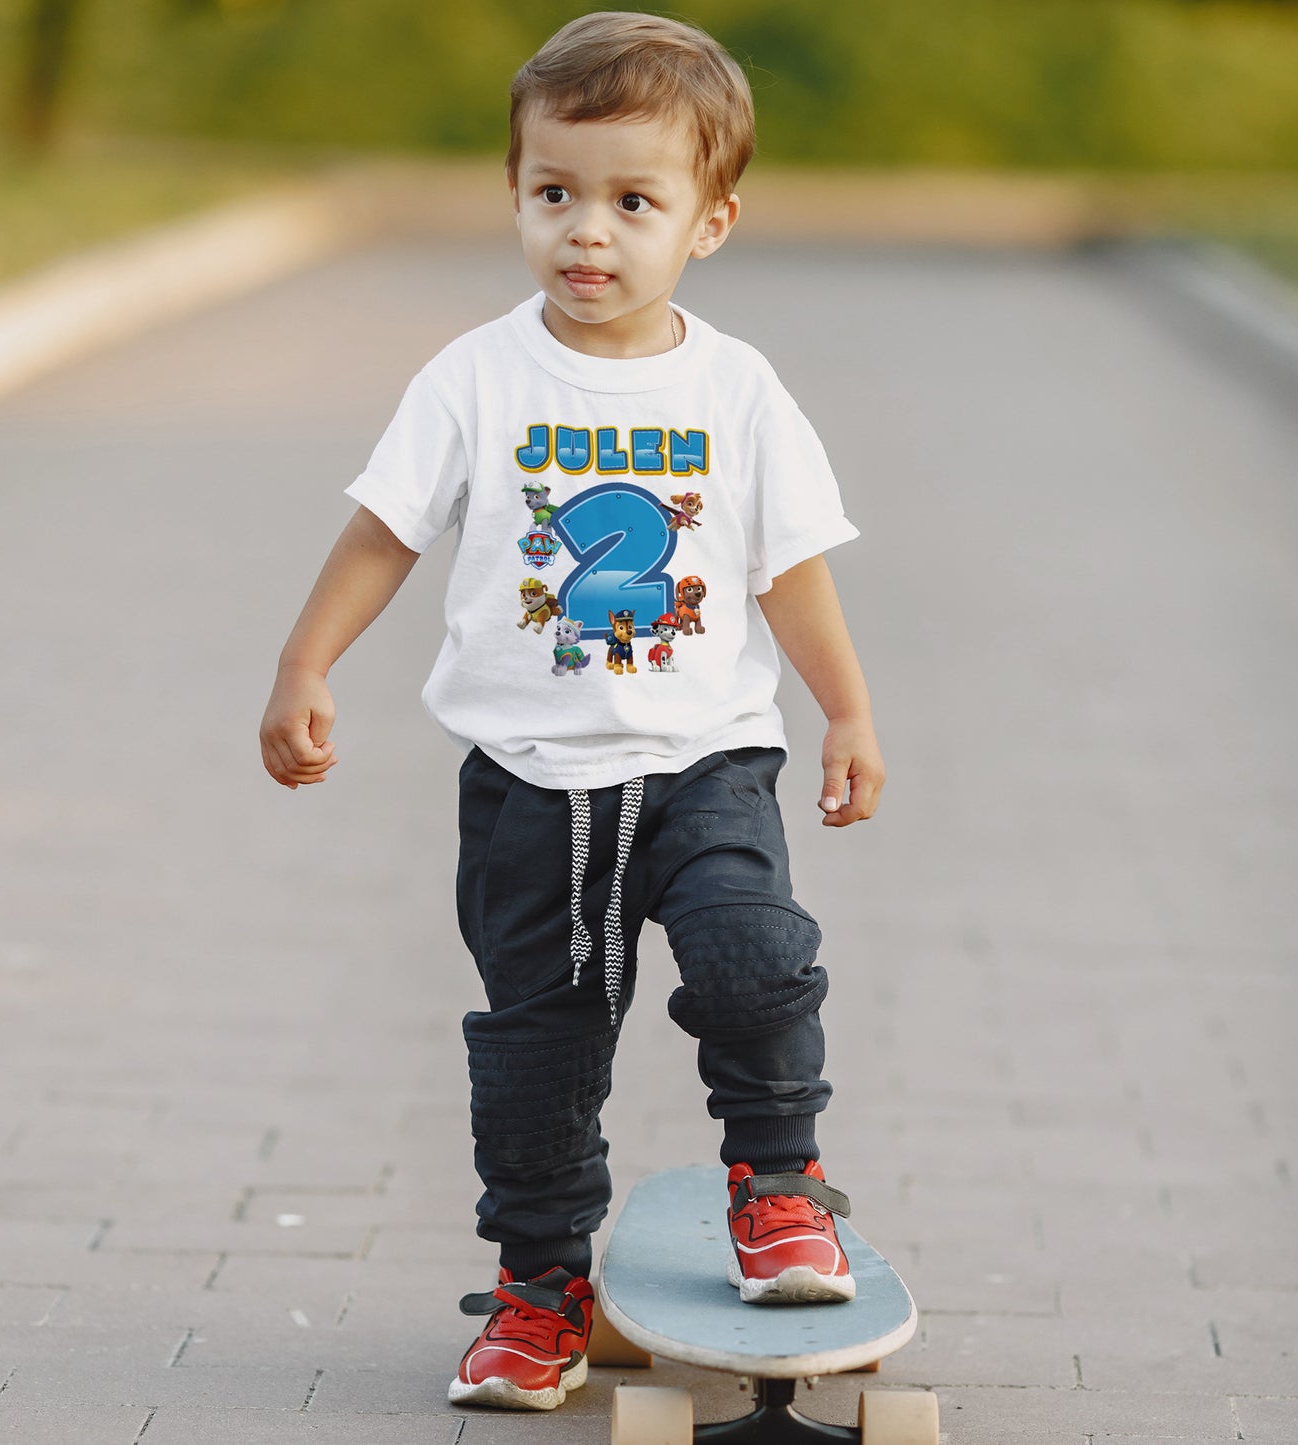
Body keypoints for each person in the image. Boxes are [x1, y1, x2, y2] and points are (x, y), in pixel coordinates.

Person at [259, 10, 885, 1415]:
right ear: (515, 194)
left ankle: (778, 1187)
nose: (585, 232)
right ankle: (541, 1289)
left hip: (705, 759)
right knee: (537, 1049)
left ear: (707, 223)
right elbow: (383, 531)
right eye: (555, 194)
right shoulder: (475, 377)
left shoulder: (735, 389)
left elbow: (788, 567)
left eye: (630, 201)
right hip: (528, 779)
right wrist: (306, 664)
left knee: (752, 954)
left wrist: (844, 711)